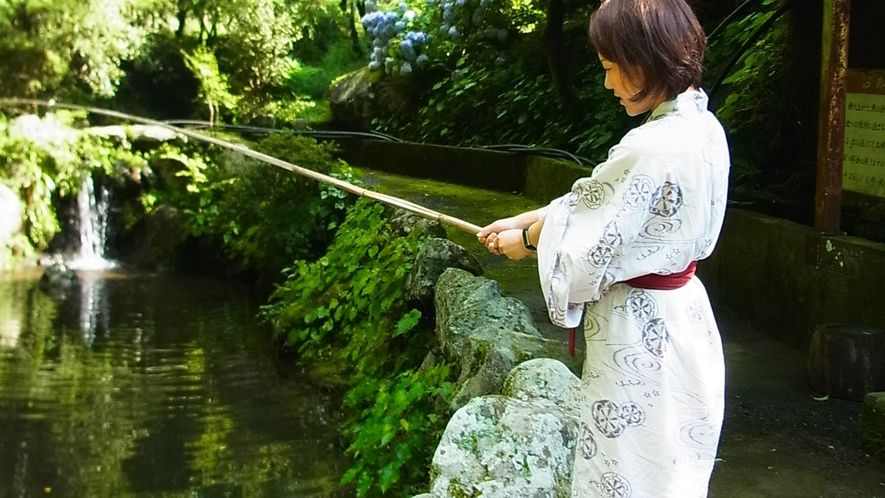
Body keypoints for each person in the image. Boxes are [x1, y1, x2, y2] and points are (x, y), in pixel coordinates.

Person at [477, 0, 730, 496]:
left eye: (613, 68)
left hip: (639, 330)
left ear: (646, 58)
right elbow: (596, 198)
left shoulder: (648, 147)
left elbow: (583, 253)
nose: (609, 84)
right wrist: (526, 220)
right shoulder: (700, 126)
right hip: (686, 319)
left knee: (628, 469)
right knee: (671, 465)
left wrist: (526, 242)